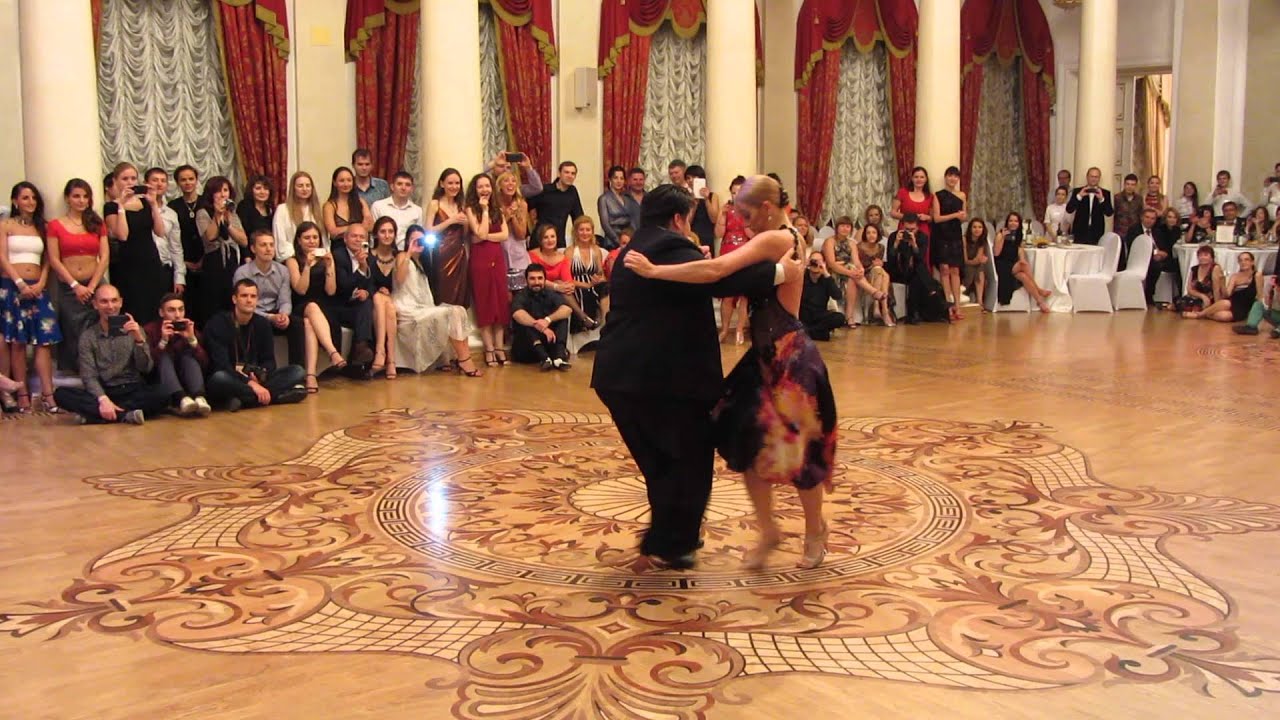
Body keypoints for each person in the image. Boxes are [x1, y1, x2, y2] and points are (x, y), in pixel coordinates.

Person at [621, 176, 833, 570]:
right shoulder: (776, 238)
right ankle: (769, 529)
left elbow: (716, 271)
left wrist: (655, 271)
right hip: (764, 356)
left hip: (789, 357)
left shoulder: (778, 238)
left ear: (768, 208)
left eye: (747, 213)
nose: (743, 222)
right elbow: (726, 272)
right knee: (746, 443)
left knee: (800, 451)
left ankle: (814, 529)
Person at [53, 284, 169, 425]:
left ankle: (95, 416)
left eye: (114, 301)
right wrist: (103, 399)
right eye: (104, 301)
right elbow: (88, 376)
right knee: (61, 394)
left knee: (164, 392)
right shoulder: (88, 336)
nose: (110, 306)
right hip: (104, 390)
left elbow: (145, 368)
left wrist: (139, 340)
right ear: (95, 304)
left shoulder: (134, 329)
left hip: (132, 388)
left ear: (120, 302)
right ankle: (124, 415)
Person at [0, 182, 61, 413]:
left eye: (34, 198)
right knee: (17, 341)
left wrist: (42, 281)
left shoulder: (41, 227)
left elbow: (48, 259)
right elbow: (3, 257)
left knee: (43, 341)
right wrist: (19, 283)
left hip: (38, 287)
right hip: (12, 286)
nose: (31, 202)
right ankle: (22, 393)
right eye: (25, 198)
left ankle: (48, 394)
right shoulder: (6, 225)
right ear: (15, 201)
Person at [203, 279, 307, 411]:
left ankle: (241, 400)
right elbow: (220, 364)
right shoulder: (218, 323)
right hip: (230, 377)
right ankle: (275, 397)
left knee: (297, 371)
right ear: (234, 299)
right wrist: (250, 383)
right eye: (244, 296)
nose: (249, 300)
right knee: (219, 378)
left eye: (253, 296)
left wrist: (260, 375)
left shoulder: (262, 324)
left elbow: (269, 360)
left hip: (257, 379)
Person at [392, 225, 480, 376]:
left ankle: (463, 358)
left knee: (458, 310)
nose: (417, 243)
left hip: (424, 307)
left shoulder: (425, 263)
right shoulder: (402, 256)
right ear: (407, 241)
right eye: (413, 240)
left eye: (420, 240)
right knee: (451, 312)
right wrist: (408, 253)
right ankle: (465, 361)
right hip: (407, 308)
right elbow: (399, 279)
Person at [47, 178, 110, 374]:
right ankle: (75, 371)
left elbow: (105, 255)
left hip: (95, 284)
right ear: (67, 198)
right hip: (69, 287)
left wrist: (91, 287)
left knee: (99, 325)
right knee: (72, 327)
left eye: (85, 196)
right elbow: (54, 259)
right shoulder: (56, 225)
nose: (81, 200)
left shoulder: (96, 223)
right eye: (76, 196)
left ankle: (101, 369)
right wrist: (76, 285)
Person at [285, 221, 346, 392]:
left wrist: (329, 266)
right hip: (301, 304)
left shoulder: (327, 257)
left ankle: (310, 376)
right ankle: (333, 352)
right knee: (311, 307)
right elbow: (301, 289)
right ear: (298, 240)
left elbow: (331, 290)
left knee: (309, 324)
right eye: (307, 238)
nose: (311, 241)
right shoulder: (292, 261)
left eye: (315, 237)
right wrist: (307, 266)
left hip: (323, 306)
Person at [105, 162, 170, 321]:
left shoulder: (145, 203)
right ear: (116, 181)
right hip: (129, 264)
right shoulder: (111, 207)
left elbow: (160, 231)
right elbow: (122, 235)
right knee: (135, 309)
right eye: (125, 178)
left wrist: (154, 204)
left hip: (151, 260)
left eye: (133, 178)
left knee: (155, 307)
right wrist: (121, 206)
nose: (130, 182)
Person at [232, 230, 301, 368]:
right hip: (253, 313)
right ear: (253, 249)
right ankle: (265, 371)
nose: (269, 249)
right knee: (260, 323)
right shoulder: (243, 273)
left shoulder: (282, 270)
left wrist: (284, 315)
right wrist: (269, 317)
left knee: (297, 324)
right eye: (263, 245)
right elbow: (244, 305)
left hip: (275, 311)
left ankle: (298, 371)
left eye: (271, 245)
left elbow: (285, 300)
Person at [464, 174, 510, 367]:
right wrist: (483, 210)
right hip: (479, 260)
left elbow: (505, 235)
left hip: (497, 259)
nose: (485, 190)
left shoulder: (498, 209)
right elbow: (479, 233)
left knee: (500, 304)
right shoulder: (470, 209)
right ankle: (489, 348)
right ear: (475, 190)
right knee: (484, 304)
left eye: (487, 186)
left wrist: (485, 236)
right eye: (480, 187)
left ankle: (500, 348)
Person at [142, 292, 210, 417]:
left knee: (188, 356)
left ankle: (199, 397)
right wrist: (163, 342)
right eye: (171, 310)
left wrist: (192, 340)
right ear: (161, 313)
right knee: (165, 356)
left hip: (186, 378)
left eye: (181, 310)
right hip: (160, 382)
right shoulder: (149, 330)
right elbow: (147, 365)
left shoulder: (190, 330)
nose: (177, 315)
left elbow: (205, 364)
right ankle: (180, 398)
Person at [195, 176, 247, 317]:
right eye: (218, 191)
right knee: (213, 306)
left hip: (232, 262)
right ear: (211, 193)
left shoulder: (233, 214)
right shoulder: (202, 213)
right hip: (213, 262)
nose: (223, 194)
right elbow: (210, 237)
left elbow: (243, 241)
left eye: (226, 190)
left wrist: (228, 222)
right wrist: (218, 215)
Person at [529, 222, 597, 328]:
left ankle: (582, 318)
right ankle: (583, 317)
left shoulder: (562, 258)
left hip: (558, 292)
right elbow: (534, 278)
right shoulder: (532, 255)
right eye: (546, 237)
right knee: (561, 287)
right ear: (540, 240)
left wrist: (565, 286)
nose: (550, 240)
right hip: (537, 289)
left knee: (564, 289)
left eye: (552, 236)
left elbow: (568, 281)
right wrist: (556, 285)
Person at [329, 223, 377, 368]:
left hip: (359, 307)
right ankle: (360, 351)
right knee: (365, 307)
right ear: (345, 238)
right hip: (339, 305)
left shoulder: (370, 258)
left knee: (368, 304)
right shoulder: (337, 256)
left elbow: (374, 284)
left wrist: (367, 292)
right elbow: (343, 286)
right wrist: (361, 269)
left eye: (361, 237)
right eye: (354, 236)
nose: (358, 239)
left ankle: (361, 349)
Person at [511, 263, 573, 371]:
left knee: (562, 318)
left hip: (548, 344)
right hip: (527, 350)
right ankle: (544, 358)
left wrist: (547, 320)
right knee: (527, 322)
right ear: (526, 280)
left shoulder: (551, 294)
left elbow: (567, 309)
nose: (536, 282)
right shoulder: (521, 296)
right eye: (532, 279)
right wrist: (540, 326)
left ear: (545, 280)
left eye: (540, 278)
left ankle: (559, 357)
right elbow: (517, 314)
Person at [825, 215, 882, 328]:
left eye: (848, 227)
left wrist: (860, 269)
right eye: (842, 226)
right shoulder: (830, 241)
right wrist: (850, 271)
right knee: (851, 272)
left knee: (853, 278)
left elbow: (856, 261)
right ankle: (873, 291)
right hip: (834, 271)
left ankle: (849, 316)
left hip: (850, 273)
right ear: (837, 228)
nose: (845, 229)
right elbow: (831, 263)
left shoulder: (852, 243)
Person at [426, 167, 470, 307]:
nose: (454, 187)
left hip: (459, 253)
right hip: (441, 253)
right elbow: (428, 230)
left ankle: (458, 328)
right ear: (441, 184)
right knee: (443, 294)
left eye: (457, 183)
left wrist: (466, 223)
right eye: (450, 183)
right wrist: (450, 221)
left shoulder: (461, 205)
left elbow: (465, 234)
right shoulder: (435, 204)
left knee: (460, 296)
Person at [993, 212, 1052, 313]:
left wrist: (1022, 258)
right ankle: (1038, 289)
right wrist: (1002, 237)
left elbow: (1019, 248)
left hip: (1012, 263)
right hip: (1002, 265)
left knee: (1023, 276)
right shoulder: (1001, 233)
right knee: (1023, 266)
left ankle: (1040, 302)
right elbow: (996, 253)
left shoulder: (1018, 233)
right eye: (1011, 221)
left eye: (1016, 221)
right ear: (1007, 222)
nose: (1013, 223)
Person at [714, 175, 749, 343]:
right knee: (727, 294)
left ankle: (740, 330)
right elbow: (718, 233)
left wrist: (746, 218)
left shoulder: (751, 211)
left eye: (741, 191)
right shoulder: (726, 210)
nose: (737, 195)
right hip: (727, 251)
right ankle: (725, 329)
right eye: (734, 192)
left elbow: (752, 234)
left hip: (745, 251)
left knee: (744, 295)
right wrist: (722, 214)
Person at [931, 166, 967, 320]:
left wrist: (960, 216)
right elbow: (937, 218)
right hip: (941, 234)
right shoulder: (937, 195)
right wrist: (954, 215)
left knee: (955, 270)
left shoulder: (962, 195)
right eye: (950, 176)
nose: (953, 179)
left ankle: (958, 306)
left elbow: (964, 217)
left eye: (955, 176)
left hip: (955, 234)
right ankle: (948, 306)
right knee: (944, 270)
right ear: (945, 177)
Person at [168, 165, 204, 320]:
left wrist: (203, 260)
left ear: (196, 180)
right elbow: (171, 239)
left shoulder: (206, 203)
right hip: (182, 262)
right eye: (183, 180)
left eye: (191, 179)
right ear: (177, 183)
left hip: (206, 260)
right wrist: (183, 262)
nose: (188, 182)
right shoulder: (173, 206)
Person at [368, 217, 401, 378]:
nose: (387, 235)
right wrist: (378, 290)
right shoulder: (368, 256)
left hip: (395, 299)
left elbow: (403, 283)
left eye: (390, 232)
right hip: (373, 301)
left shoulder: (399, 256)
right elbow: (366, 283)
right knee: (380, 299)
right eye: (383, 232)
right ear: (376, 235)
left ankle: (382, 353)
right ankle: (389, 359)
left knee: (388, 304)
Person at [1185, 252, 1261, 323]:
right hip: (1232, 302)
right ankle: (1200, 314)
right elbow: (1227, 295)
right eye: (1241, 260)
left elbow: (1260, 295)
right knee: (1226, 303)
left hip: (1244, 306)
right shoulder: (1235, 276)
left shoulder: (1257, 275)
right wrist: (1222, 283)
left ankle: (1202, 313)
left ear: (1252, 262)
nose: (1243, 262)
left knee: (1225, 316)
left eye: (1246, 260)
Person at [144, 167, 186, 296]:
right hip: (143, 268)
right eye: (155, 180)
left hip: (164, 267)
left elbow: (176, 247)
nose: (159, 184)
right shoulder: (138, 208)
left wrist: (179, 277)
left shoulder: (171, 213)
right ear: (146, 183)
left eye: (163, 181)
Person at [527, 161, 583, 247]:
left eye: (573, 173)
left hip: (559, 240)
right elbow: (526, 207)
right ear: (559, 174)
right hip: (540, 239)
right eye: (566, 172)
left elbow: (578, 217)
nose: (570, 176)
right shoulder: (544, 189)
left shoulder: (572, 192)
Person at [272, 171, 323, 262]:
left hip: (316, 260)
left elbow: (323, 240)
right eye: (300, 186)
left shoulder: (318, 211)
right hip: (292, 259)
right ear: (293, 188)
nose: (304, 189)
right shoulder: (283, 210)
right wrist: (296, 258)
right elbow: (280, 240)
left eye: (308, 185)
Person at [495, 170, 531, 292]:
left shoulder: (522, 205)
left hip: (518, 253)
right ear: (499, 185)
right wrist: (507, 216)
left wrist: (514, 216)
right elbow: (495, 230)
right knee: (503, 293)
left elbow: (521, 235)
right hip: (500, 251)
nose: (510, 184)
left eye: (513, 181)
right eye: (506, 181)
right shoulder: (494, 205)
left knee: (520, 291)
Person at [370, 171, 423, 250]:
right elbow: (373, 234)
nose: (403, 188)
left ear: (412, 189)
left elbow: (418, 237)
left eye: (407, 185)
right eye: (399, 184)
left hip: (406, 254)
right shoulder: (378, 206)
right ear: (392, 187)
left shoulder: (417, 210)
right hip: (382, 253)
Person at [891, 166, 934, 264]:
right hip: (905, 227)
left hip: (923, 230)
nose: (919, 179)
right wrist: (910, 218)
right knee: (904, 256)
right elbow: (893, 212)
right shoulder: (903, 192)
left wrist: (927, 217)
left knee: (922, 257)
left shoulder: (930, 196)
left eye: (922, 177)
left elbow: (932, 217)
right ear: (912, 178)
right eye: (916, 177)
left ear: (926, 179)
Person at [799, 251, 845, 340]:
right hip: (803, 314)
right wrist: (804, 266)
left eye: (819, 261)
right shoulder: (802, 276)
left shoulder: (826, 279)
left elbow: (838, 296)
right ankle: (817, 333)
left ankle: (808, 332)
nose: (816, 264)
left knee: (839, 318)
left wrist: (826, 273)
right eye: (813, 261)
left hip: (819, 315)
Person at [323, 166, 374, 247]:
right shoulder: (329, 206)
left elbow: (370, 225)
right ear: (334, 183)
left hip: (361, 245)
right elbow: (332, 232)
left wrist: (343, 229)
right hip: (339, 247)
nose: (346, 184)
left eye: (349, 180)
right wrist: (358, 227)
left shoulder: (361, 201)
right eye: (342, 181)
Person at [1065, 167, 1114, 246]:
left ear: (1099, 178)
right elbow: (1069, 209)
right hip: (1079, 231)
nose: (1094, 179)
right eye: (1092, 176)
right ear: (1087, 177)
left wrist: (1101, 199)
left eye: (1096, 177)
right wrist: (1079, 196)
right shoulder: (1078, 191)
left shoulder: (1105, 193)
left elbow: (1109, 213)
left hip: (1096, 232)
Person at [857, 224, 894, 325]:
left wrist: (880, 264)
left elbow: (879, 265)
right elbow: (858, 266)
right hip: (863, 276)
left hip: (877, 274)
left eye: (874, 233)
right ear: (865, 234)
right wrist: (873, 267)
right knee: (881, 272)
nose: (871, 235)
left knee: (882, 272)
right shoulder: (859, 247)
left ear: (878, 235)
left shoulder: (881, 247)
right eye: (868, 233)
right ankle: (883, 310)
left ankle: (879, 306)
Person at [1147, 207, 1184, 306]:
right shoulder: (1160, 230)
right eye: (1169, 217)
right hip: (1164, 257)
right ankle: (1180, 294)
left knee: (1181, 265)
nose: (1172, 219)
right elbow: (1161, 247)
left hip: (1171, 256)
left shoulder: (1177, 230)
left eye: (1174, 217)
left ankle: (1181, 294)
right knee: (1178, 266)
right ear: (1165, 218)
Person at [597, 165, 639, 249]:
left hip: (628, 240)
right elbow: (605, 224)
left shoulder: (627, 198)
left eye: (621, 178)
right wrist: (618, 241)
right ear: (610, 180)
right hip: (612, 241)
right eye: (615, 178)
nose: (619, 181)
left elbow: (632, 220)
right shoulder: (604, 199)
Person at [1233, 266, 1280, 337]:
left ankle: (1278, 331)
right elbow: (1265, 302)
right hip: (1275, 314)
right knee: (1258, 304)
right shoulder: (1271, 286)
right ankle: (1251, 327)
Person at [1179, 244, 1222, 316]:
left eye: (1205, 255)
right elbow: (1189, 289)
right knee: (1181, 302)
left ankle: (1199, 313)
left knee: (1199, 306)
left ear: (1211, 257)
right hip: (1198, 297)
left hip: (1210, 299)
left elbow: (1216, 289)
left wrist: (1216, 305)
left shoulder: (1215, 268)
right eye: (1200, 255)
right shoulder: (1194, 269)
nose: (1202, 257)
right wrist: (1202, 296)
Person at [685, 165, 720, 249]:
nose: (690, 180)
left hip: (707, 237)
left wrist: (706, 199)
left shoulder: (713, 196)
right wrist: (694, 204)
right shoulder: (686, 197)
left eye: (694, 177)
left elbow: (714, 219)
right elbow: (687, 222)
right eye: (688, 178)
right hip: (692, 237)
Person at [961, 218, 989, 310]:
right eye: (974, 227)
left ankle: (979, 301)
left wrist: (979, 261)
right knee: (977, 267)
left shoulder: (982, 241)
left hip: (975, 266)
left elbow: (978, 258)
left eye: (980, 227)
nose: (977, 229)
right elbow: (965, 260)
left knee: (980, 268)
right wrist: (977, 261)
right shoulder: (964, 239)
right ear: (970, 229)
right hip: (962, 265)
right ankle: (978, 301)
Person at [1121, 205, 1158, 270]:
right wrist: (1153, 253)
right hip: (1139, 259)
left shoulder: (1157, 231)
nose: (1149, 220)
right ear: (1141, 217)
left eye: (1152, 218)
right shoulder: (1134, 230)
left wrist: (1161, 254)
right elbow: (1136, 249)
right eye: (1147, 217)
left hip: (1156, 258)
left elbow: (1162, 248)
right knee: (1155, 267)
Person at [237, 174, 275, 239]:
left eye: (266, 189)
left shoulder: (271, 208)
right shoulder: (244, 207)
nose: (262, 192)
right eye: (258, 188)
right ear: (251, 190)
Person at [1113, 173, 1143, 238]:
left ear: (1136, 186)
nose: (1130, 187)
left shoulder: (1139, 199)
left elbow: (1140, 215)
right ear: (1124, 184)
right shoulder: (1117, 198)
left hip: (1134, 232)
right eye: (1128, 184)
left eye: (1132, 185)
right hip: (1120, 232)